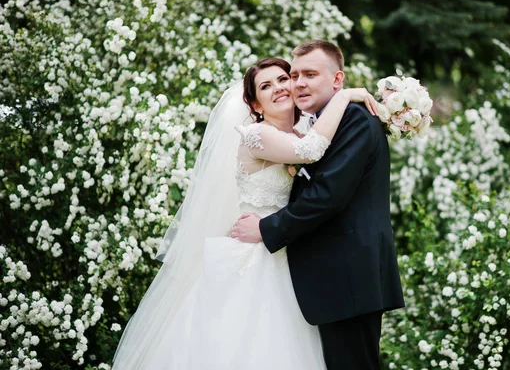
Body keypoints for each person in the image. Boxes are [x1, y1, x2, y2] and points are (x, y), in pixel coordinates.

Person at [111, 56, 378, 369]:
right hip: (253, 256)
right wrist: (344, 95)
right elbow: (310, 152)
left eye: (283, 79)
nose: (279, 88)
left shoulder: (301, 131)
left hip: (286, 252)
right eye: (266, 86)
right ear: (255, 103)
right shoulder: (256, 135)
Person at [231, 40, 405, 370]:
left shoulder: (353, 118)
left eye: (309, 74)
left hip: (348, 273)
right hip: (326, 276)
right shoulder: (316, 126)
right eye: (294, 75)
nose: (297, 84)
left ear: (337, 80)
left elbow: (327, 196)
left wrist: (265, 228)